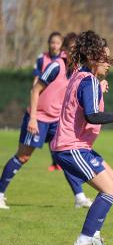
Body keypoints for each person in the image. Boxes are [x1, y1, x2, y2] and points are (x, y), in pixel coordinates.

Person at [51, 30, 113, 245]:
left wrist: (99, 87)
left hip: (78, 146)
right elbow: (93, 116)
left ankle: (93, 238)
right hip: (70, 147)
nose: (109, 64)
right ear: (93, 57)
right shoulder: (89, 82)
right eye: (105, 58)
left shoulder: (80, 75)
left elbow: (85, 98)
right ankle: (85, 239)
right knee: (109, 189)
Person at [0, 32, 93, 210]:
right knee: (23, 156)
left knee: (65, 157)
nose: (77, 53)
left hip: (56, 121)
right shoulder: (56, 66)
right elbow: (35, 91)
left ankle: (79, 197)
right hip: (39, 118)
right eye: (73, 49)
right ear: (65, 50)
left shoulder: (77, 71)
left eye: (78, 50)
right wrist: (33, 118)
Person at [33, 31, 64, 172]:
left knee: (56, 138)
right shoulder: (42, 58)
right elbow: (37, 80)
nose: (55, 45)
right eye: (52, 42)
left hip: (57, 105)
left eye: (57, 42)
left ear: (61, 44)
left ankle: (56, 163)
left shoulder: (65, 59)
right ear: (48, 43)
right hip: (42, 105)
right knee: (26, 151)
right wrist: (35, 92)